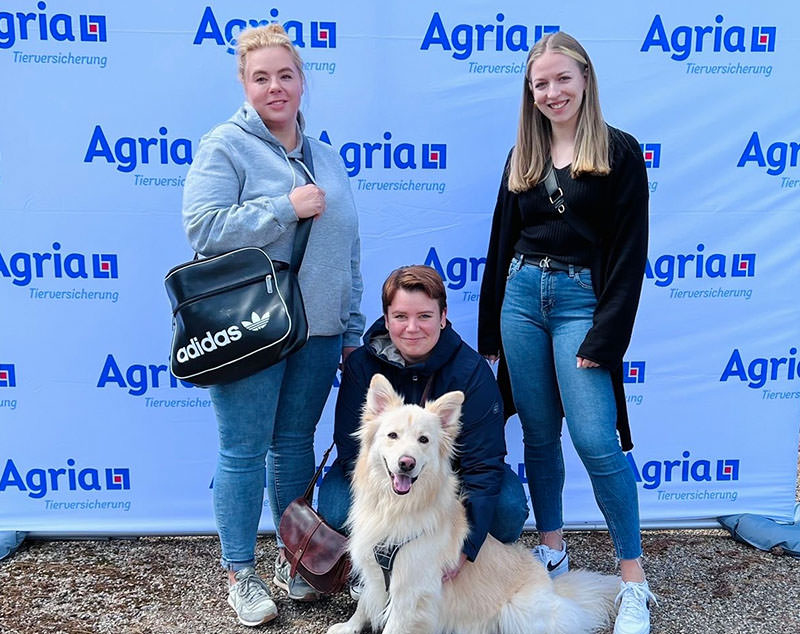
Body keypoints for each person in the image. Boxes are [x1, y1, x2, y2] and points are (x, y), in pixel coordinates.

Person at [181, 24, 364, 627]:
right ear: (244, 83)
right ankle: (241, 575)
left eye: (286, 75)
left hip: (318, 331)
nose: (275, 86)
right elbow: (203, 230)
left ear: (302, 80)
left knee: (293, 447)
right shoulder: (225, 146)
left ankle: (299, 561)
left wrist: (352, 328)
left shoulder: (326, 156)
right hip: (251, 328)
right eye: (261, 77)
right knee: (241, 451)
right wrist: (285, 207)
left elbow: (348, 249)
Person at [477, 33, 653, 634]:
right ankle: (551, 548)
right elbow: (501, 245)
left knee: (597, 441)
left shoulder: (620, 153)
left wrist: (605, 339)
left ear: (585, 78)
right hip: (521, 298)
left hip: (583, 305)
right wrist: (489, 337)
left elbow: (630, 257)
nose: (552, 93)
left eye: (561, 80)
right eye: (540, 84)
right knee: (538, 434)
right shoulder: (521, 155)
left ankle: (633, 582)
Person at [318, 265, 529, 585]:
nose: (412, 328)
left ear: (443, 317)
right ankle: (372, 570)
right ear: (387, 319)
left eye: (425, 316)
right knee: (335, 506)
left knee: (508, 507)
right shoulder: (362, 365)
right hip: (380, 477)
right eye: (401, 316)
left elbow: (484, 465)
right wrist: (396, 502)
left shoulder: (470, 372)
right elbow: (352, 452)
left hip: (446, 480)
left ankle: (464, 565)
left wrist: (464, 547)